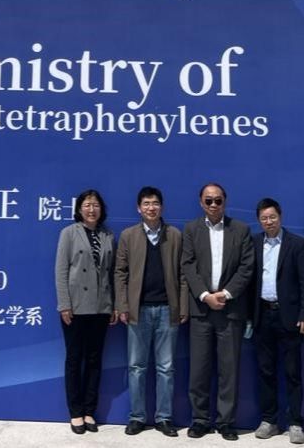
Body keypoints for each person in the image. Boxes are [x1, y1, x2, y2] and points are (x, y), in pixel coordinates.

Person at [181, 182, 255, 441]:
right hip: (201, 309)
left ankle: (226, 422)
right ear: (201, 202)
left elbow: (246, 267)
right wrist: (205, 295)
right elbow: (188, 265)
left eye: (218, 200)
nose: (213, 205)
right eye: (208, 200)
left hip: (230, 309)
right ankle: (200, 420)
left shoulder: (241, 230)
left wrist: (225, 294)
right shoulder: (191, 229)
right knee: (199, 369)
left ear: (225, 201)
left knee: (229, 369)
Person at [115, 186, 186, 437]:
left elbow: (183, 274)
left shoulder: (175, 235)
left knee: (166, 368)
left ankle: (164, 418)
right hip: (138, 310)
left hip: (168, 309)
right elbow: (120, 273)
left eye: (155, 203)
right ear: (138, 208)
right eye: (146, 203)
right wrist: (122, 306)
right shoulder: (128, 235)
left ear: (162, 207)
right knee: (136, 367)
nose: (151, 208)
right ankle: (137, 417)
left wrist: (183, 306)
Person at [248, 198, 304, 445]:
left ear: (281, 216)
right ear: (259, 220)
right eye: (264, 218)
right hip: (262, 314)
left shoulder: (296, 244)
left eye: (272, 217)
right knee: (265, 371)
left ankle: (296, 422)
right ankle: (269, 420)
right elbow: (248, 281)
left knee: (292, 372)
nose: (269, 222)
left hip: (289, 317)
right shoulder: (253, 243)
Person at [55, 188, 117, 435]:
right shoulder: (69, 233)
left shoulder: (107, 235)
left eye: (96, 205)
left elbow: (111, 273)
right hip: (76, 307)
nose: (92, 209)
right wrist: (64, 304)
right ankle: (75, 412)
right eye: (87, 205)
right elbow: (61, 270)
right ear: (79, 209)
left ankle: (90, 410)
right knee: (74, 360)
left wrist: (113, 304)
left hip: (101, 306)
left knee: (94, 360)